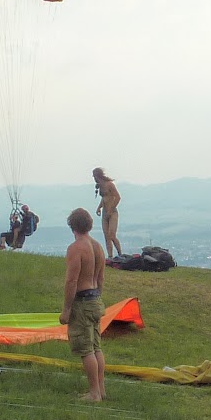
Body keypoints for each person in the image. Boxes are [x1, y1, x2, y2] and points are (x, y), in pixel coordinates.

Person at [60, 207, 107, 401]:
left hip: (83, 301)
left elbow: (72, 281)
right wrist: (98, 298)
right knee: (96, 347)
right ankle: (101, 389)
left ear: (72, 226)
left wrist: (66, 309)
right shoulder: (98, 247)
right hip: (95, 299)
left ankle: (94, 393)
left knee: (86, 350)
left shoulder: (76, 248)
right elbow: (101, 278)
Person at [92, 166, 122, 257]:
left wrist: (111, 209)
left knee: (112, 235)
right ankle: (110, 256)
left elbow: (118, 197)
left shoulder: (110, 185)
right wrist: (99, 207)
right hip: (104, 213)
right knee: (106, 237)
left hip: (112, 213)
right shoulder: (100, 186)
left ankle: (120, 254)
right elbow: (104, 198)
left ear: (97, 176)